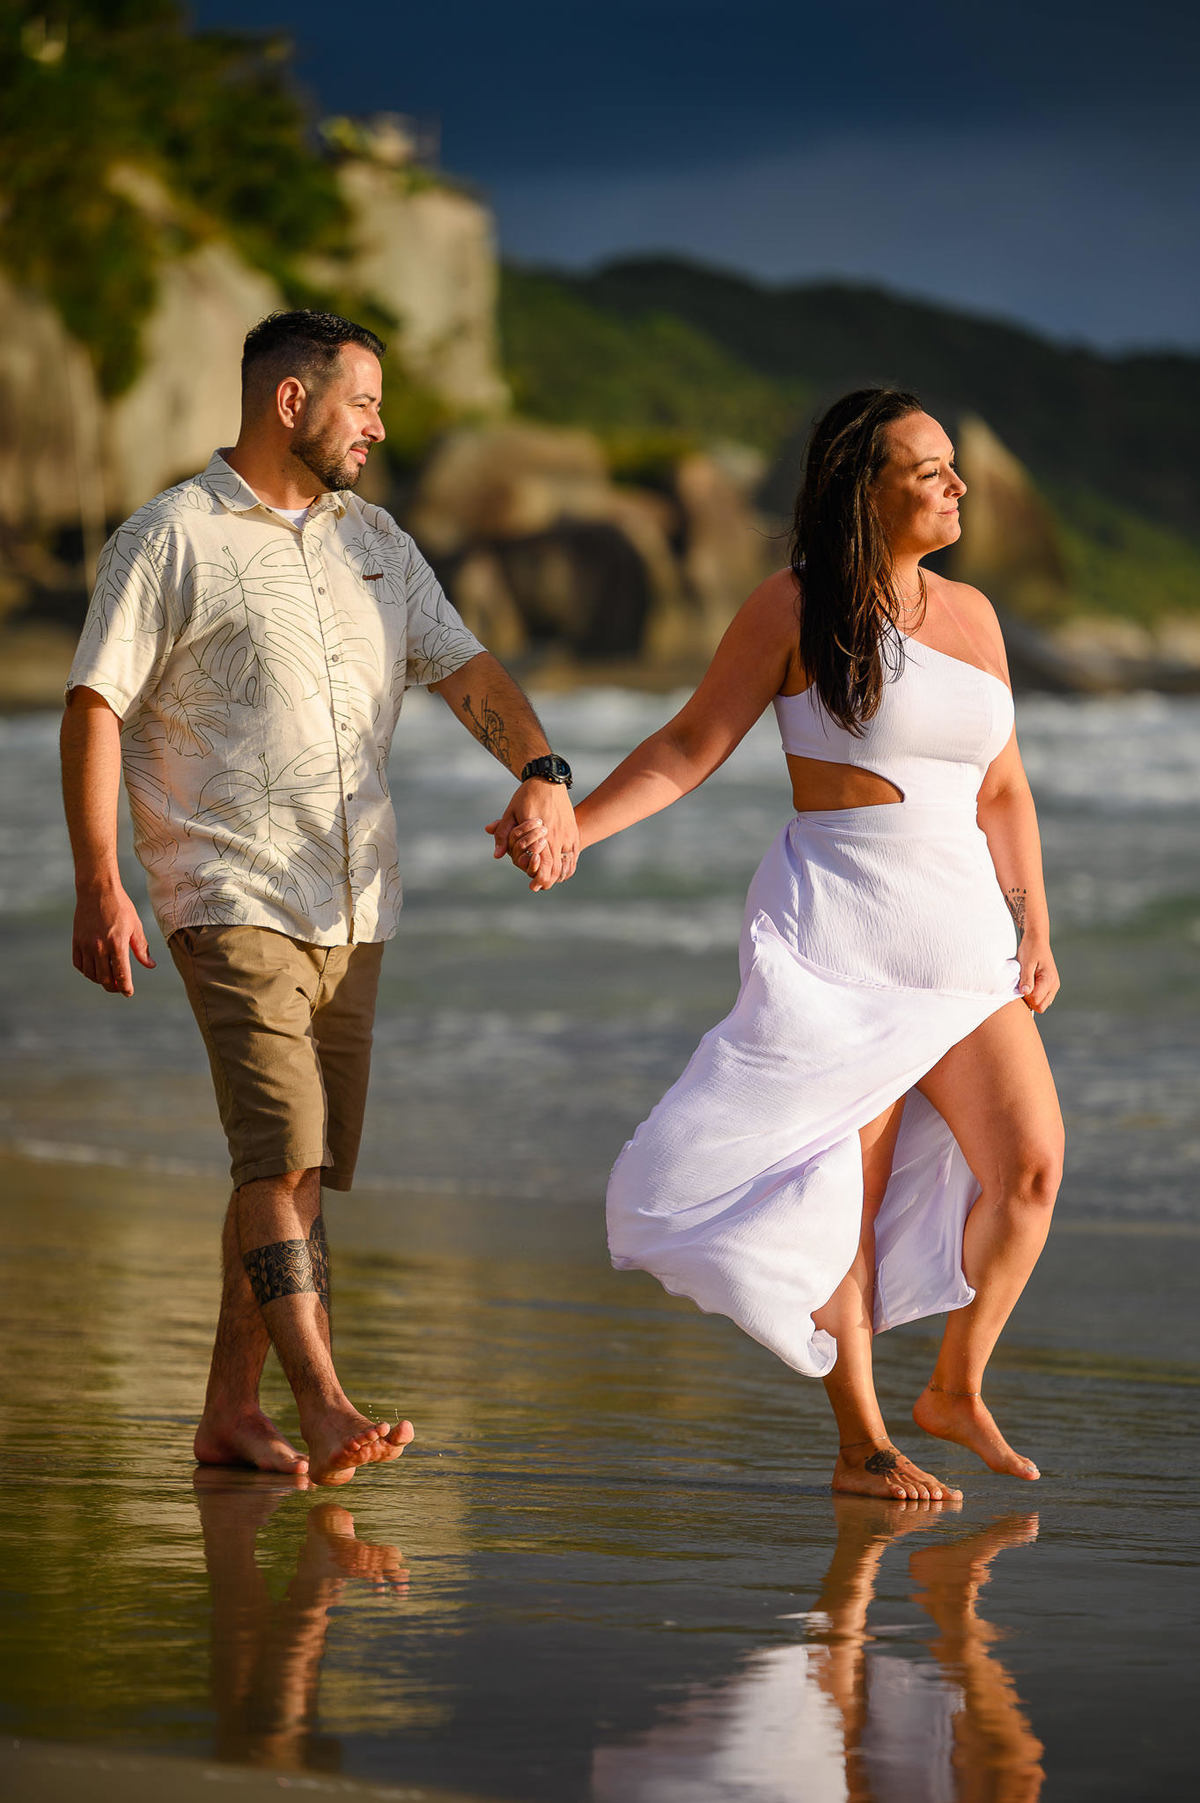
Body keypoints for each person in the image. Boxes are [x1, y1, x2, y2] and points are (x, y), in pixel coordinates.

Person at [504, 388, 1063, 1502]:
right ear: (866, 489)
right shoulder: (795, 606)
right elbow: (689, 742)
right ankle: (862, 1445)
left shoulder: (977, 616)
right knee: (835, 1201)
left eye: (954, 465)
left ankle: (954, 1385)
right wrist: (575, 820)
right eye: (929, 468)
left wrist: (1033, 922)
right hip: (844, 932)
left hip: (963, 944)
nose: (957, 484)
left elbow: (1001, 784)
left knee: (1033, 1169)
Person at [61, 309, 579, 1486]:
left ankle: (229, 1414)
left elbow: (462, 665)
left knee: (292, 1169)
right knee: (282, 1144)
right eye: (365, 404)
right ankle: (328, 1401)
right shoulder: (171, 535)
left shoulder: (378, 540)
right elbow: (96, 704)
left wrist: (542, 773)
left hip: (354, 902)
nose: (380, 428)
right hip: (224, 885)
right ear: (291, 402)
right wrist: (102, 881)